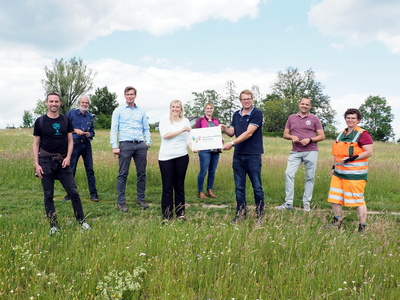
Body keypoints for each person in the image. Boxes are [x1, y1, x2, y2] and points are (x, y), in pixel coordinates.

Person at [33, 92, 91, 235]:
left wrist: (68, 157)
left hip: (63, 161)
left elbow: (70, 141)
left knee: (73, 192)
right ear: (47, 103)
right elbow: (36, 144)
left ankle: (81, 221)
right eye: (51, 101)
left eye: (56, 101)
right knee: (48, 194)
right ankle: (53, 226)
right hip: (45, 161)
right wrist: (37, 164)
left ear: (60, 103)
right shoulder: (40, 121)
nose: (54, 104)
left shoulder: (65, 120)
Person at [221, 89, 264, 223]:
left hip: (253, 155)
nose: (246, 101)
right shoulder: (236, 114)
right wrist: (224, 128)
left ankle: (260, 215)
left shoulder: (257, 113)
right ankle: (240, 214)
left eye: (249, 98)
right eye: (244, 99)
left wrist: (232, 143)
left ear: (252, 100)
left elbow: (249, 133)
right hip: (238, 155)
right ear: (240, 101)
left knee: (257, 186)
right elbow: (232, 132)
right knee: (239, 187)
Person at [327, 108, 373, 233]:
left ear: (358, 120)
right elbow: (338, 154)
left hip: (355, 175)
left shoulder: (363, 134)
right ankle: (337, 221)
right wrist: (333, 168)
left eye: (353, 118)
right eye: (348, 117)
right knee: (334, 198)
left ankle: (362, 226)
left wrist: (351, 159)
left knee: (357, 200)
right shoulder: (341, 133)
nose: (350, 120)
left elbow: (369, 152)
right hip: (339, 173)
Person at [275, 97, 325, 212]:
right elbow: (285, 134)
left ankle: (306, 203)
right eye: (303, 104)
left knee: (310, 177)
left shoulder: (314, 119)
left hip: (311, 151)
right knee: (288, 173)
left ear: (310, 107)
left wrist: (310, 140)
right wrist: (292, 136)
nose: (304, 106)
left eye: (307, 105)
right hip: (295, 151)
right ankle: (288, 203)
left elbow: (322, 136)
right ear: (299, 104)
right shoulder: (291, 118)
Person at [110, 86, 152, 213]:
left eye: (132, 94)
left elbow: (146, 128)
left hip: (140, 145)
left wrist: (148, 141)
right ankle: (121, 201)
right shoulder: (118, 110)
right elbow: (114, 129)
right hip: (125, 145)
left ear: (135, 96)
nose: (130, 96)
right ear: (124, 96)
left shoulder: (141, 111)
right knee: (123, 173)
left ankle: (141, 199)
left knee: (142, 173)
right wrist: (114, 146)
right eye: (127, 94)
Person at [158, 100, 192, 220]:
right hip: (166, 157)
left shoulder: (186, 121)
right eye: (173, 106)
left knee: (179, 185)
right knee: (167, 186)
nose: (175, 109)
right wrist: (182, 130)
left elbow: (189, 139)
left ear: (181, 109)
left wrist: (195, 148)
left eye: (177, 107)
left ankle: (180, 213)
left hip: (182, 156)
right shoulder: (164, 119)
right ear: (170, 108)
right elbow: (165, 135)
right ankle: (167, 215)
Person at [62, 95, 99, 202]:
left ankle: (93, 194)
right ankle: (70, 194)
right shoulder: (71, 113)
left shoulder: (90, 116)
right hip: (74, 144)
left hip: (86, 144)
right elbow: (64, 127)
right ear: (78, 103)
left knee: (90, 170)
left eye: (86, 103)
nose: (84, 104)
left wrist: (89, 134)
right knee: (71, 169)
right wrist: (75, 131)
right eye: (83, 102)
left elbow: (93, 131)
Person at [194, 102, 221, 199]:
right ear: (205, 109)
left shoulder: (216, 121)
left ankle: (209, 190)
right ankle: (200, 191)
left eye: (211, 108)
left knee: (212, 171)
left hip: (215, 150)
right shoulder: (200, 120)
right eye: (207, 108)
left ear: (213, 110)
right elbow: (195, 134)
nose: (209, 110)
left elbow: (218, 135)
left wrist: (221, 142)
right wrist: (196, 146)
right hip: (204, 149)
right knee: (203, 170)